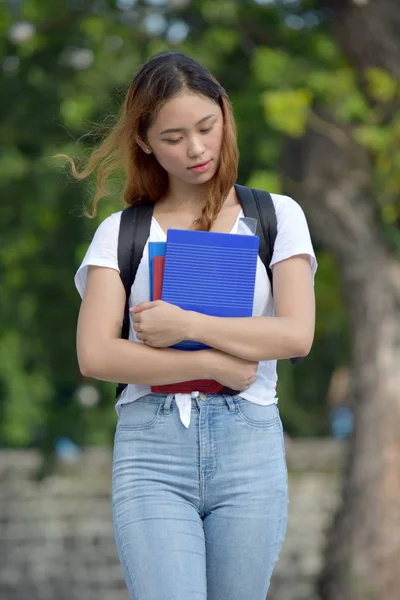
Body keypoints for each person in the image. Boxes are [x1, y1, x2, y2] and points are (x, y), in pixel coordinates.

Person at [70, 51, 317, 600]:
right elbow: (96, 355)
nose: (197, 149)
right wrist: (210, 363)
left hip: (248, 448)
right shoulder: (123, 232)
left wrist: (187, 323)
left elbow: (296, 334)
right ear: (145, 142)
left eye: (206, 127)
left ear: (225, 114)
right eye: (174, 137)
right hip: (151, 450)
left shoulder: (276, 216)